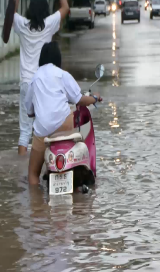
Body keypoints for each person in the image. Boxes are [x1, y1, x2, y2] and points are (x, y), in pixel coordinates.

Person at [24, 42, 102, 185]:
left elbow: (29, 111)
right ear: (58, 59)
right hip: (63, 126)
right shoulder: (62, 75)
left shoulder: (34, 79)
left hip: (43, 131)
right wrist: (94, 98)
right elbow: (79, 99)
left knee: (33, 175)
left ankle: (37, 204)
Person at [13, 0, 70, 156]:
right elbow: (65, 7)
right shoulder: (49, 24)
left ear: (30, 11)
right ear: (45, 10)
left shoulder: (22, 24)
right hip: (44, 83)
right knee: (47, 126)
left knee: (25, 130)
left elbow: (10, 12)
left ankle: (22, 167)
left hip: (26, 82)